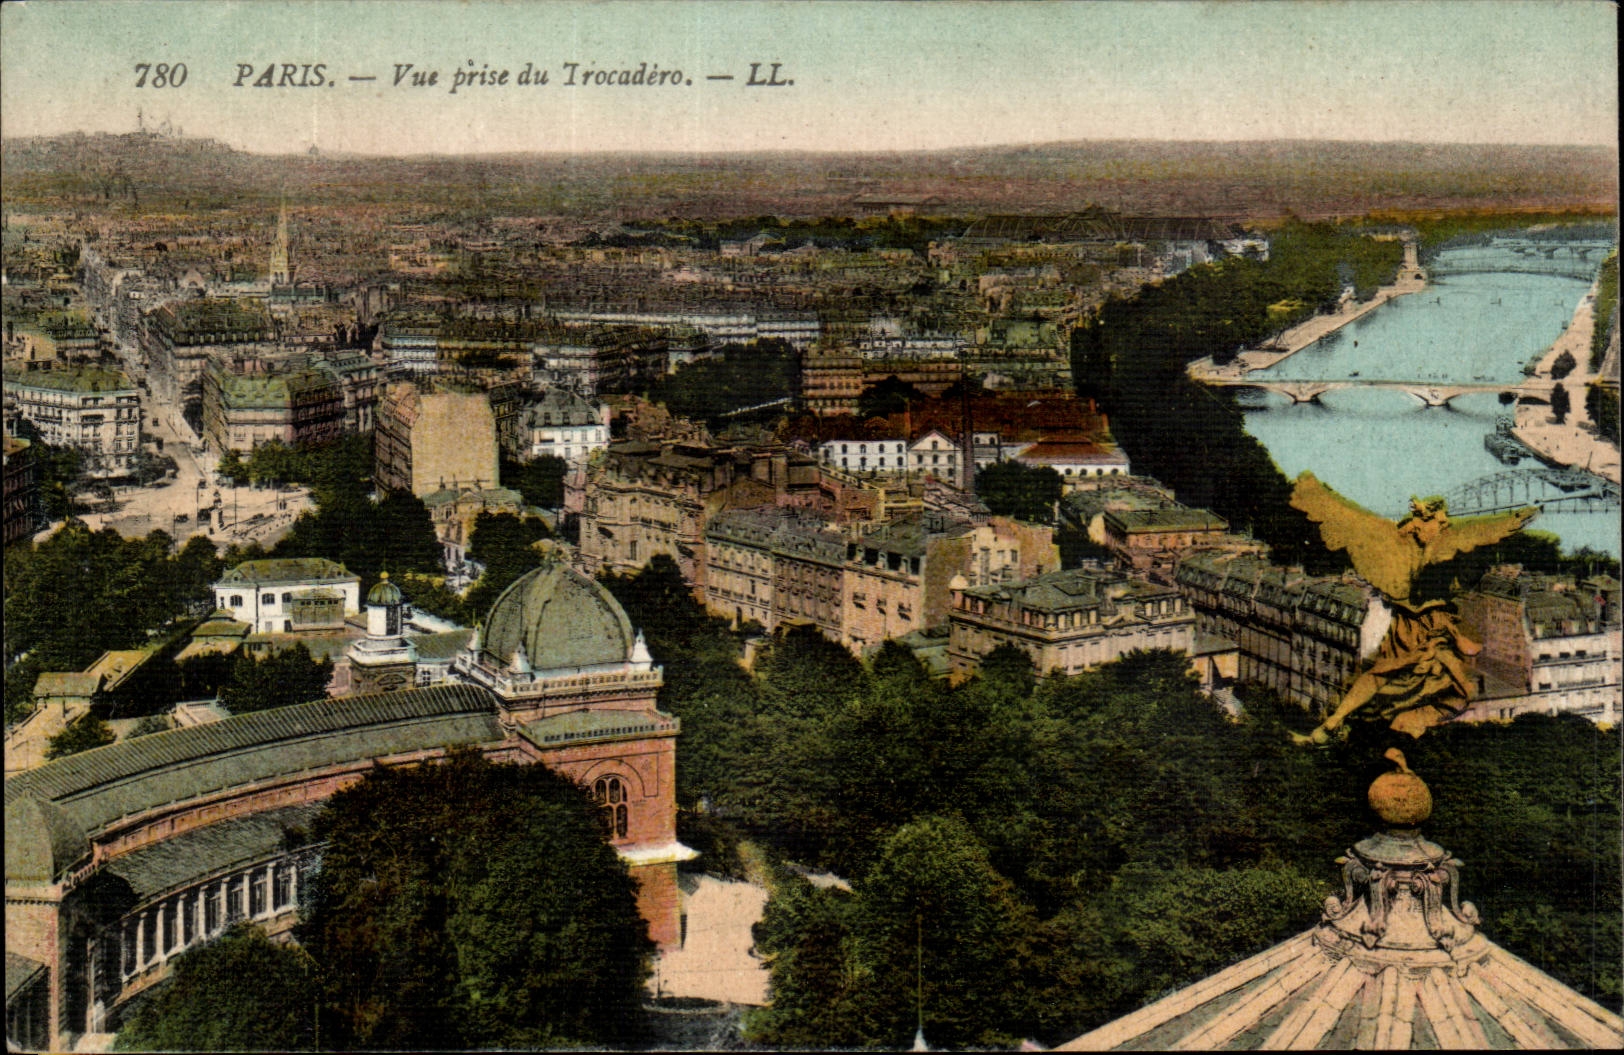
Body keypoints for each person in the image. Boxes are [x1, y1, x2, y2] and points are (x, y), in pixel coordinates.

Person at [1289, 472, 1535, 742]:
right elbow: (1475, 532)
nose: (1445, 526)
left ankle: (1340, 724)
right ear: (1423, 522)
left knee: (1386, 677)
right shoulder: (1413, 545)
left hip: (1418, 624)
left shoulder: (1405, 541)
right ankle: (1398, 724)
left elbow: (1471, 531)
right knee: (1452, 688)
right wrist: (1510, 521)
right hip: (1426, 626)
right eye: (1440, 522)